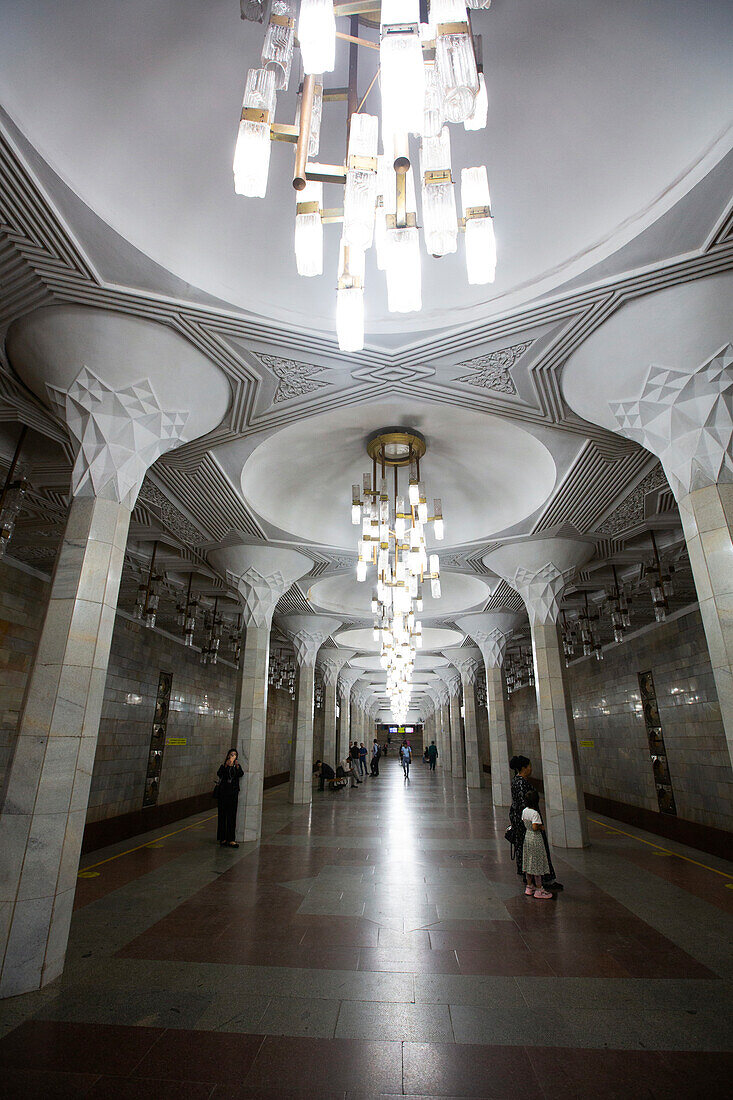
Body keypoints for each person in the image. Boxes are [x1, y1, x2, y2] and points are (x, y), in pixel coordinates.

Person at [509, 755, 563, 891]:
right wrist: (535, 822)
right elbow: (523, 804)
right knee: (537, 850)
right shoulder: (521, 783)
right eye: (529, 766)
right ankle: (543, 880)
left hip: (520, 820)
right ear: (524, 768)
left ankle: (528, 878)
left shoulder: (516, 781)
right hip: (528, 823)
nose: (531, 768)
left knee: (525, 849)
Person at [521, 789, 553, 899]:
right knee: (537, 864)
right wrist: (541, 827)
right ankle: (539, 889)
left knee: (529, 863)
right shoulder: (535, 813)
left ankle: (529, 887)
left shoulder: (524, 811)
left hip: (527, 838)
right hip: (535, 839)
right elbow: (535, 827)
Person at [216, 749, 243, 848]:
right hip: (223, 794)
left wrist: (236, 766)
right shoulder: (224, 766)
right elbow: (219, 773)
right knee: (222, 816)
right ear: (228, 756)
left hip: (233, 794)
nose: (233, 756)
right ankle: (222, 838)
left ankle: (231, 839)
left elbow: (241, 774)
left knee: (232, 816)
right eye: (231, 754)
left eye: (235, 755)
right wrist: (226, 766)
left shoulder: (237, 767)